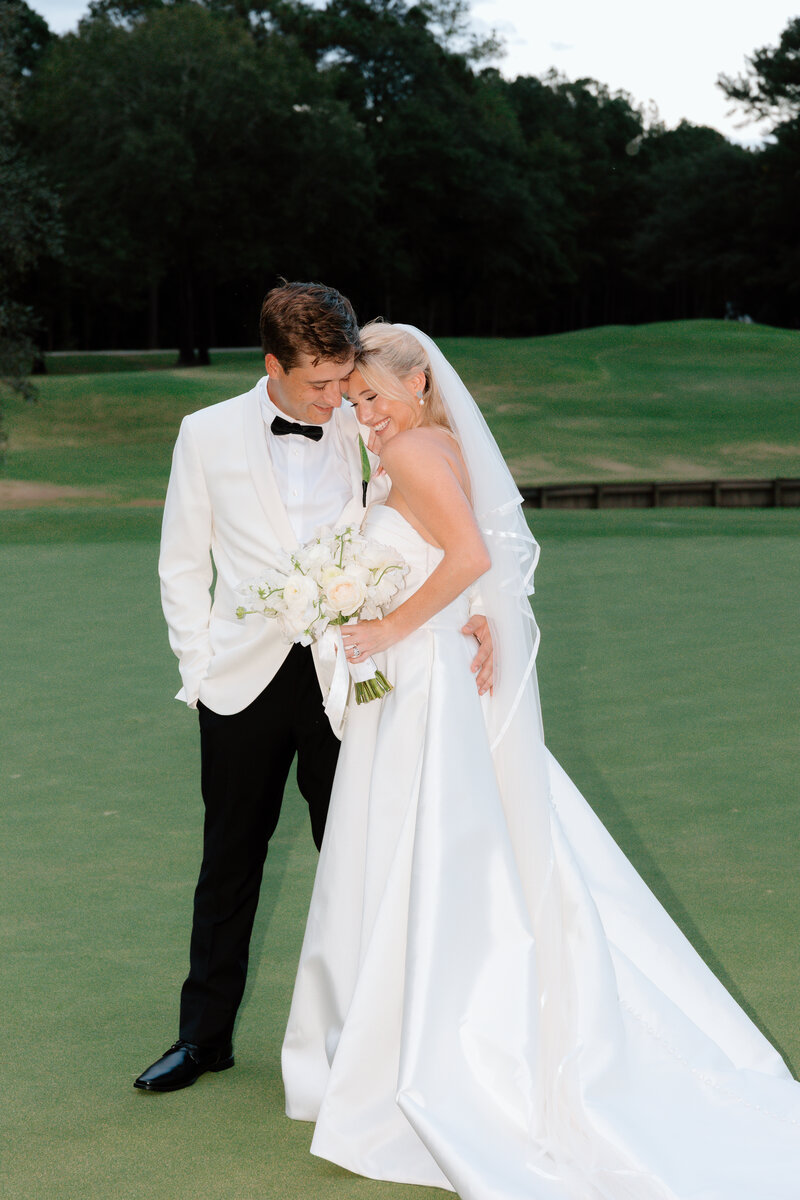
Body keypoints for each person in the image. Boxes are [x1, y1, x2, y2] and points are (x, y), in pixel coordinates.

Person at [282, 322, 800, 1198]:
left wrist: (385, 625)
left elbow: (473, 554)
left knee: (434, 859)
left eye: (373, 396)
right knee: (440, 855)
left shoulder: (412, 452)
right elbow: (462, 564)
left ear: (418, 386)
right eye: (354, 397)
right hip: (425, 674)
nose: (361, 412)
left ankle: (435, 1062)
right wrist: (445, 614)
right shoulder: (432, 444)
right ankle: (391, 1040)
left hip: (425, 684)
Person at [134, 285, 494, 1094]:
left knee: (360, 855)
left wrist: (479, 612)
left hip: (355, 676)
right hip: (240, 682)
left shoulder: (369, 426)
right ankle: (203, 1041)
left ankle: (377, 1041)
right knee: (228, 861)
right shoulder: (205, 435)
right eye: (317, 386)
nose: (336, 401)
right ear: (272, 366)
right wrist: (201, 671)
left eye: (342, 382)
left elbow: (438, 522)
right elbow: (183, 565)